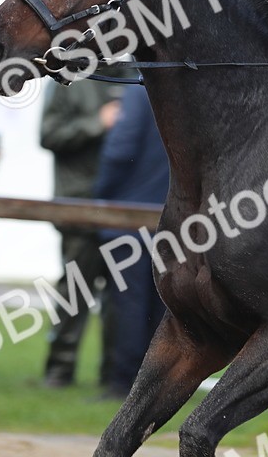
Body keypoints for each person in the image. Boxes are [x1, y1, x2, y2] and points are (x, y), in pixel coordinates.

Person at [39, 79, 123, 388]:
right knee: (74, 292)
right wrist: (97, 123)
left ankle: (115, 376)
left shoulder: (136, 74)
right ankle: (59, 371)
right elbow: (48, 134)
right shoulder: (67, 79)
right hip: (79, 204)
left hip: (125, 209)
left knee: (123, 299)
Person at [92, 84, 169, 399]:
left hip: (129, 215)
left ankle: (124, 383)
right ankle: (155, 386)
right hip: (173, 219)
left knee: (129, 305)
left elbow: (119, 150)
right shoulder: (188, 87)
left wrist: (101, 194)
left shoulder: (140, 92)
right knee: (161, 307)